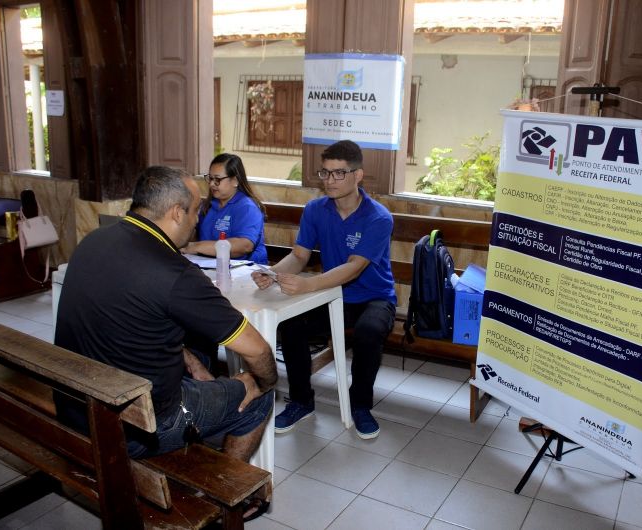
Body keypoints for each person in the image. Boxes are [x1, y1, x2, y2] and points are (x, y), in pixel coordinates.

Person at [54, 167, 277, 518]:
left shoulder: (95, 242)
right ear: (176, 212)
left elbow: (139, 321)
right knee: (259, 395)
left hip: (76, 406)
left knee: (201, 365)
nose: (197, 218)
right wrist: (263, 381)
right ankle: (220, 498)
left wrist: (192, 362)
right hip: (134, 428)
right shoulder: (175, 272)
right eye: (195, 210)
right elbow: (259, 350)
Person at [252, 140, 396, 440]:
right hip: (333, 296)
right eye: (325, 173)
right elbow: (300, 256)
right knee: (292, 324)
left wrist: (309, 284)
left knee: (369, 332)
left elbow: (355, 267)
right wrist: (272, 273)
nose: (330, 181)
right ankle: (301, 400)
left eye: (338, 173)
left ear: (358, 175)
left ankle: (360, 406)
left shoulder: (378, 217)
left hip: (374, 298)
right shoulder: (316, 210)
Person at [182, 153, 268, 264]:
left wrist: (196, 246)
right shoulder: (208, 205)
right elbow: (193, 233)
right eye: (210, 178)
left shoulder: (247, 208)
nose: (212, 184)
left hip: (246, 271)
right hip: (208, 265)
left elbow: (245, 245)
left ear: (235, 181)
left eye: (217, 179)